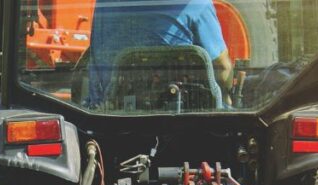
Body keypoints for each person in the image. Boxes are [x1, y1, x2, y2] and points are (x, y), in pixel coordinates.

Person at [86, 0, 233, 107]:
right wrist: (227, 97)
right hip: (178, 118)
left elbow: (98, 52)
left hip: (110, 114)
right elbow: (222, 67)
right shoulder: (197, 4)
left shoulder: (105, 4)